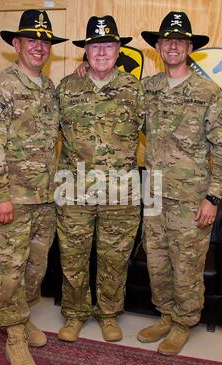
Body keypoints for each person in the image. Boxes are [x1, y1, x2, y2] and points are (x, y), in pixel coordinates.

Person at [137, 11, 222, 355]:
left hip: (189, 198)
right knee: (158, 261)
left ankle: (184, 322)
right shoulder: (147, 88)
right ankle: (166, 315)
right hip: (153, 194)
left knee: (186, 266)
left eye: (180, 41)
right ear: (159, 47)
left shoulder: (209, 92)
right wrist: (84, 70)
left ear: (189, 47)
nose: (173, 46)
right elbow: (116, 106)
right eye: (167, 40)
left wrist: (213, 197)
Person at [0, 9, 67, 365]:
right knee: (8, 270)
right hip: (11, 198)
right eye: (32, 40)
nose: (39, 47)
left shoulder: (48, 89)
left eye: (44, 41)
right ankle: (13, 333)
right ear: (17, 44)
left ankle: (22, 315)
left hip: (44, 198)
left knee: (35, 267)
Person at [55, 15, 145, 343]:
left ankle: (108, 313)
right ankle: (76, 314)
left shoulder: (136, 90)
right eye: (95, 46)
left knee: (114, 258)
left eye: (108, 45)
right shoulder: (66, 88)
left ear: (118, 49)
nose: (102, 52)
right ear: (86, 52)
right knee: (73, 256)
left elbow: (162, 135)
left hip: (120, 195)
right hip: (74, 191)